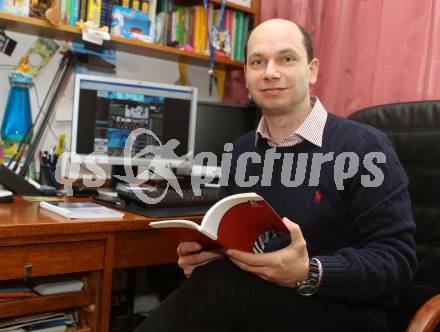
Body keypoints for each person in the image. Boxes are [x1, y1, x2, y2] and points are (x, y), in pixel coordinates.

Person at [135, 18, 417, 332]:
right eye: (258, 62)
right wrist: (208, 256)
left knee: (219, 288)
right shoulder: (241, 151)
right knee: (213, 279)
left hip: (347, 312)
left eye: (286, 58)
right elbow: (240, 240)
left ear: (312, 70)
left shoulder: (365, 148)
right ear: (246, 75)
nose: (270, 72)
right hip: (262, 300)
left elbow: (397, 262)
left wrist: (309, 272)